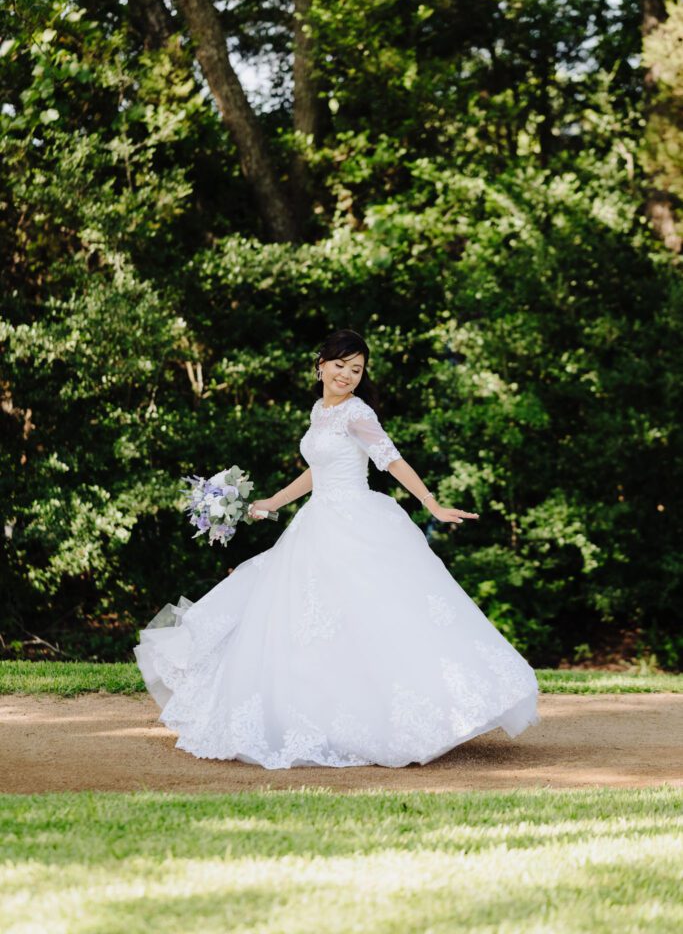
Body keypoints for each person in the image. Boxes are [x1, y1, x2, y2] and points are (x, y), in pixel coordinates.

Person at [134, 329, 540, 768]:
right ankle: (321, 718)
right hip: (316, 522)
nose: (347, 374)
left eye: (357, 368)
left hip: (356, 522)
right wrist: (272, 501)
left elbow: (391, 459)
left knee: (371, 620)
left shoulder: (357, 413)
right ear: (321, 366)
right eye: (341, 365)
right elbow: (318, 471)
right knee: (304, 623)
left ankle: (399, 718)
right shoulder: (319, 410)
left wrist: (432, 503)